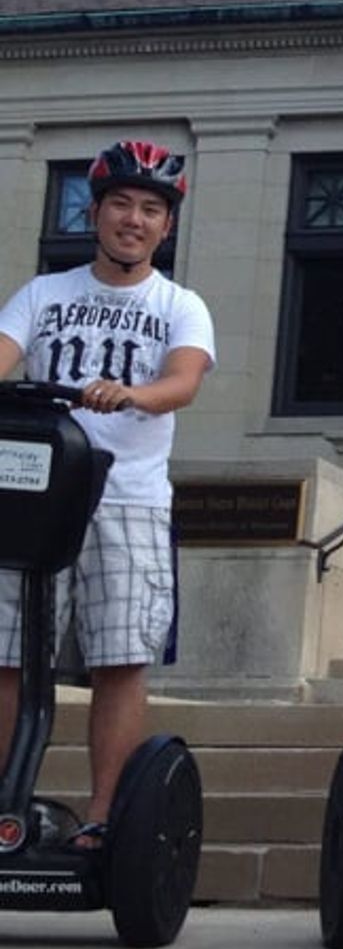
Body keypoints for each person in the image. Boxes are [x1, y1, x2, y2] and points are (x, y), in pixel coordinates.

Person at [0, 139, 215, 848]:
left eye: (150, 209)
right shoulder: (45, 294)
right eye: (120, 204)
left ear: (167, 227)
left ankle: (101, 820)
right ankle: (7, 810)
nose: (134, 219)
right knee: (6, 658)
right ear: (93, 214)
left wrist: (134, 393)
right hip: (30, 500)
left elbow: (183, 381)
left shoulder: (180, 305)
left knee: (120, 661)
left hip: (127, 499)